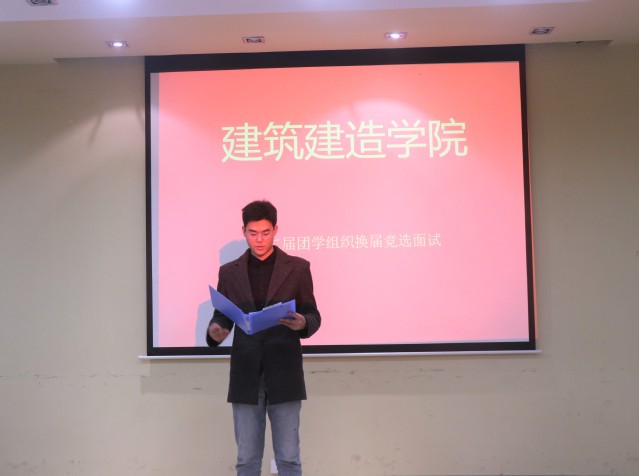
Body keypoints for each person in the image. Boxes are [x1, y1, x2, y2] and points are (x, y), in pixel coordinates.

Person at [206, 200, 321, 476]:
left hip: (284, 370)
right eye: (253, 233)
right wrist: (216, 330)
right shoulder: (229, 272)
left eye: (266, 232)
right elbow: (222, 315)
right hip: (246, 371)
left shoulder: (298, 268)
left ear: (276, 230)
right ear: (243, 231)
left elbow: (313, 314)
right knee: (246, 458)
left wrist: (303, 322)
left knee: (289, 458)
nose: (259, 239)